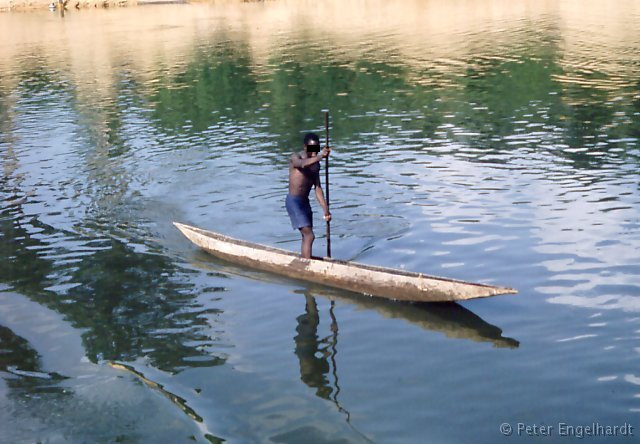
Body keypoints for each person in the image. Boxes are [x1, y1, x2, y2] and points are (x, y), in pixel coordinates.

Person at [286, 133, 331, 259]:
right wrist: (321, 156)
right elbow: (301, 164)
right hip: (294, 202)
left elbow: (317, 188)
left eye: (316, 148)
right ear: (305, 147)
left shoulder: (316, 165)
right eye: (311, 148)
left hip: (305, 203)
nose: (314, 152)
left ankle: (305, 259)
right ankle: (306, 265)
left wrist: (325, 209)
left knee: (306, 236)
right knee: (309, 236)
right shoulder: (296, 157)